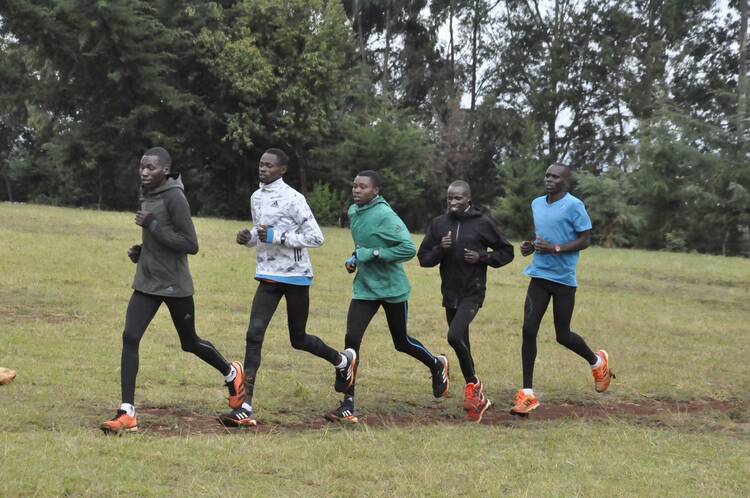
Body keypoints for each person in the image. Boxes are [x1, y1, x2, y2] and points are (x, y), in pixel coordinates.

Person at [101, 147, 245, 435]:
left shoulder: (174, 197)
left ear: (165, 170)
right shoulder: (148, 193)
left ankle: (231, 372)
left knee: (189, 342)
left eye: (150, 168)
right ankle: (127, 411)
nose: (144, 172)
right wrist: (142, 251)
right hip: (147, 280)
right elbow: (159, 237)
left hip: (174, 284)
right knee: (130, 336)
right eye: (142, 167)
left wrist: (152, 226)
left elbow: (190, 244)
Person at [219, 148, 356, 427]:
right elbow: (261, 234)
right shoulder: (256, 197)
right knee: (253, 335)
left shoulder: (294, 199)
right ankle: (245, 406)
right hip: (267, 275)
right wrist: (248, 239)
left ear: (282, 170)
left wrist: (277, 236)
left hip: (295, 277)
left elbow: (316, 238)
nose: (263, 169)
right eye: (261, 164)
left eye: (270, 166)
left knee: (298, 339)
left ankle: (342, 362)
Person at [325, 170, 450, 424]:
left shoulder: (385, 215)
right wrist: (354, 258)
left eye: (363, 187)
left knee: (401, 341)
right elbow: (363, 245)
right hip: (365, 288)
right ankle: (348, 405)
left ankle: (436, 363)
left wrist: (371, 254)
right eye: (354, 186)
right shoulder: (353, 212)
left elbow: (407, 249)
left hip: (392, 289)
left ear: (376, 191)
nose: (357, 190)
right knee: (352, 342)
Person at [510, 163, 614, 416]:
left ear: (565, 181)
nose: (549, 179)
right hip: (539, 276)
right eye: (547, 175)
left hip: (564, 280)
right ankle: (527, 394)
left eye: (555, 177)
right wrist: (531, 246)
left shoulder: (574, 205)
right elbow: (543, 235)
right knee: (528, 330)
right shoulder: (536, 203)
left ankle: (597, 362)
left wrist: (556, 249)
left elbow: (586, 239)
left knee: (563, 335)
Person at [417, 180, 514, 422]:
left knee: (454, 336)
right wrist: (441, 248)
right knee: (463, 344)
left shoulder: (482, 223)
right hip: (450, 294)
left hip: (473, 292)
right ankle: (476, 397)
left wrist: (482, 257)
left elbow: (507, 251)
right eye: (449, 198)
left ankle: (474, 383)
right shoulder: (439, 224)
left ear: (468, 199)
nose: (452, 202)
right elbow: (424, 259)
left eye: (458, 198)